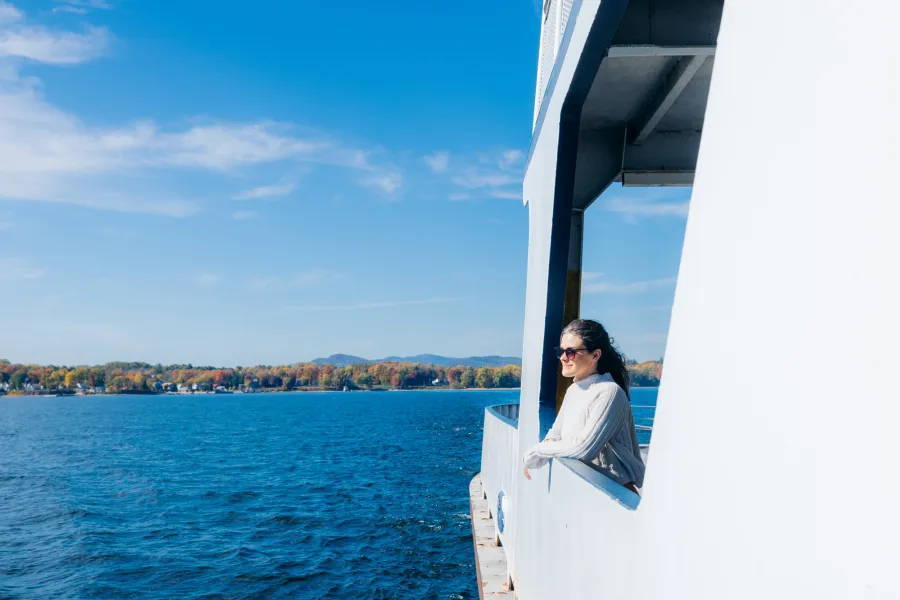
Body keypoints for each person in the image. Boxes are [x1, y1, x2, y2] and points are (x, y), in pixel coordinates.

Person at [522, 319, 645, 493]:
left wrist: (537, 451)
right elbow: (556, 433)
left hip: (616, 496)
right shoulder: (574, 390)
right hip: (589, 492)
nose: (563, 357)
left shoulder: (609, 392)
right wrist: (547, 447)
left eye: (571, 352)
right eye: (561, 351)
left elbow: (583, 448)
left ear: (595, 355)